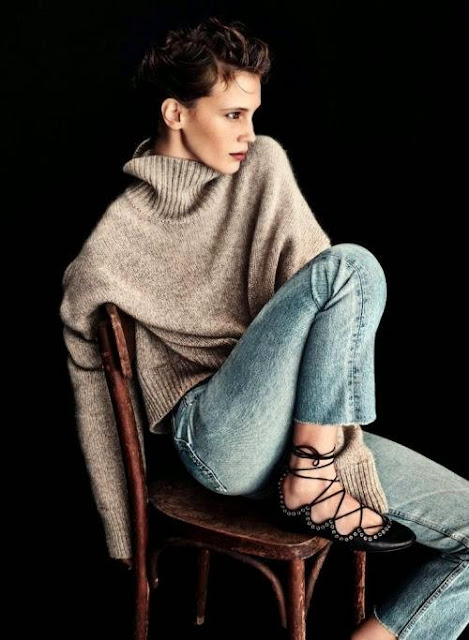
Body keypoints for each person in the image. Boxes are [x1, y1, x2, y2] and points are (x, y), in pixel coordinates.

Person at [60, 16, 468, 639]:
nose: (248, 134)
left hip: (306, 429)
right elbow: (95, 394)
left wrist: (334, 443)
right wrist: (128, 537)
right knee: (352, 266)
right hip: (219, 437)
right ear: (175, 113)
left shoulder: (263, 168)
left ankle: (315, 471)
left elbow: (336, 319)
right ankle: (313, 473)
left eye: (252, 115)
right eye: (232, 115)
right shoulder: (113, 246)